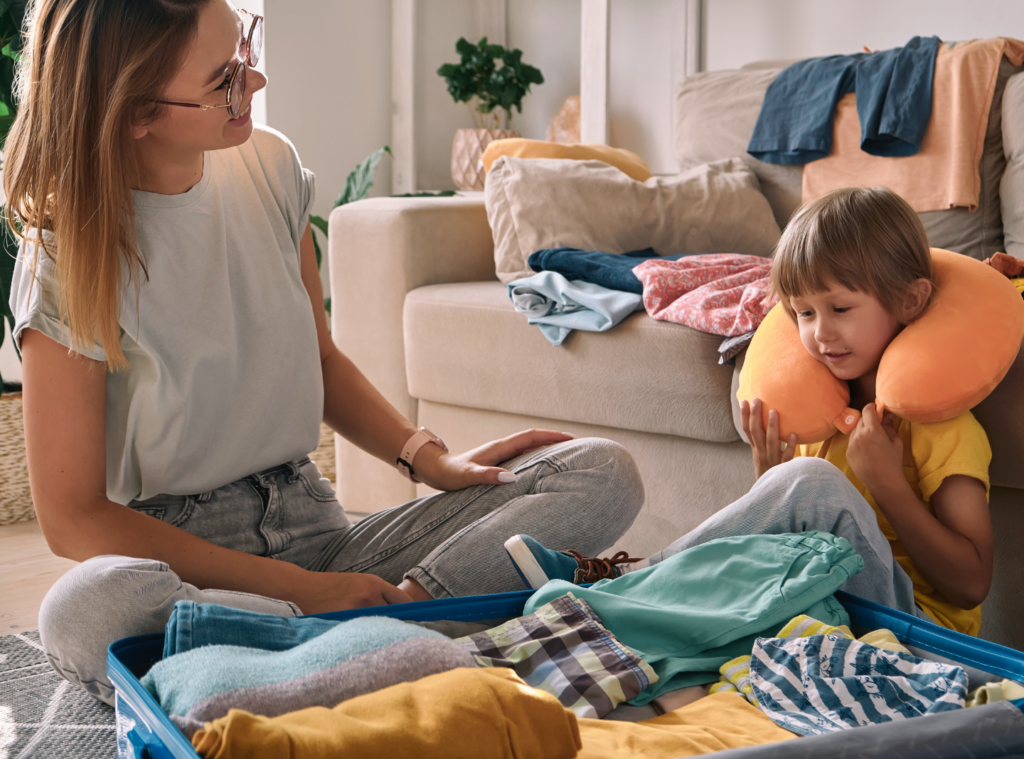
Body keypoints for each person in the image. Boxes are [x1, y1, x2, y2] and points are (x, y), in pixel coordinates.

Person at [6, 0, 644, 705]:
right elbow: (72, 517)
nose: (255, 82)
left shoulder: (269, 164)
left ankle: (347, 641)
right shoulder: (67, 250)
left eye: (243, 49)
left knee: (599, 472)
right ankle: (383, 637)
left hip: (314, 522)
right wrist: (308, 594)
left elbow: (319, 358)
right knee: (84, 612)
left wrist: (429, 459)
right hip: (183, 559)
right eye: (224, 79)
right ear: (136, 113)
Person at [508, 187, 993, 638]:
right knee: (777, 524)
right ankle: (616, 611)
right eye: (804, 313)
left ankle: (622, 581)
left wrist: (888, 484)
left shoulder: (941, 428)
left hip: (921, 631)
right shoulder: (818, 414)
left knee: (813, 484)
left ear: (909, 300)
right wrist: (770, 485)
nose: (820, 333)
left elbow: (971, 585)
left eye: (840, 309)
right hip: (828, 605)